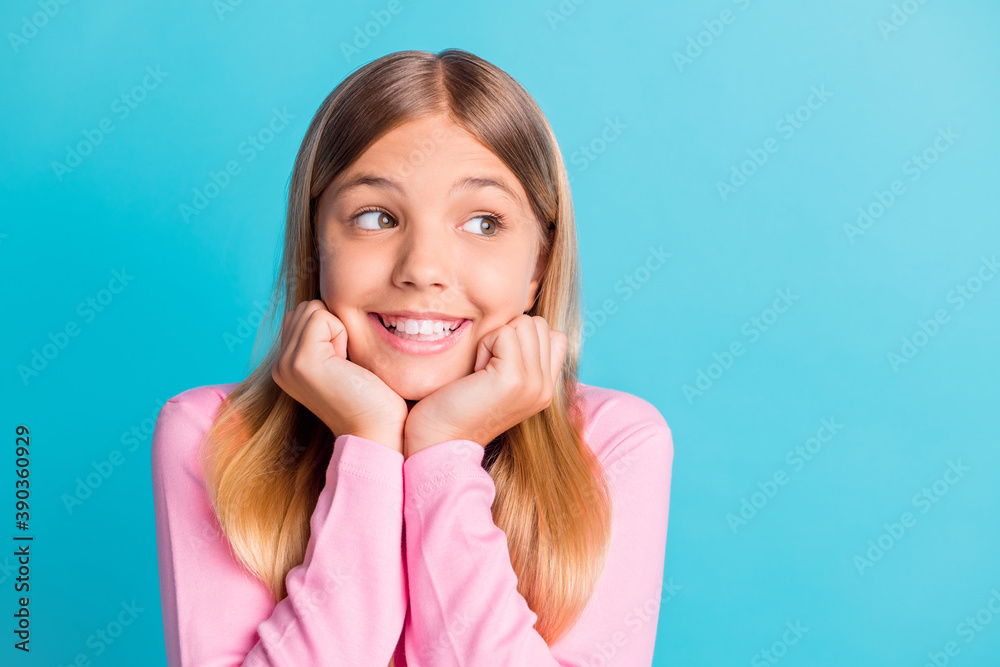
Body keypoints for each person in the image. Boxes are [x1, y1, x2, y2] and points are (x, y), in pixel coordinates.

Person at [151, 48, 674, 666]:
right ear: (316, 243)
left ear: (539, 264)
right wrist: (369, 446)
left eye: (482, 223)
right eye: (376, 217)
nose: (423, 269)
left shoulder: (617, 443)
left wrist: (444, 451)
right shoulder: (212, 438)